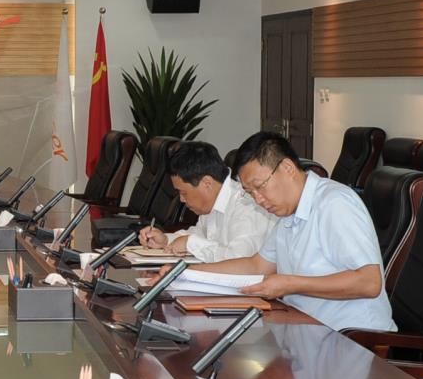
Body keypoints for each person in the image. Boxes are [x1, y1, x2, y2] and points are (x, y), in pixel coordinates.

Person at [191, 131, 395, 332]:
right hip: (305, 327)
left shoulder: (334, 203)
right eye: (250, 193)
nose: (258, 200)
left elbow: (369, 282)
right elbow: (256, 265)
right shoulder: (288, 211)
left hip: (352, 337)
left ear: (287, 168)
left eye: (260, 187)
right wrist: (188, 272)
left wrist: (290, 284)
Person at [138, 141, 276, 263]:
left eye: (183, 193)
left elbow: (240, 259)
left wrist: (190, 244)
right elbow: (200, 235)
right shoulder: (212, 202)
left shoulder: (247, 205)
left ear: (207, 183)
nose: (181, 199)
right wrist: (166, 240)